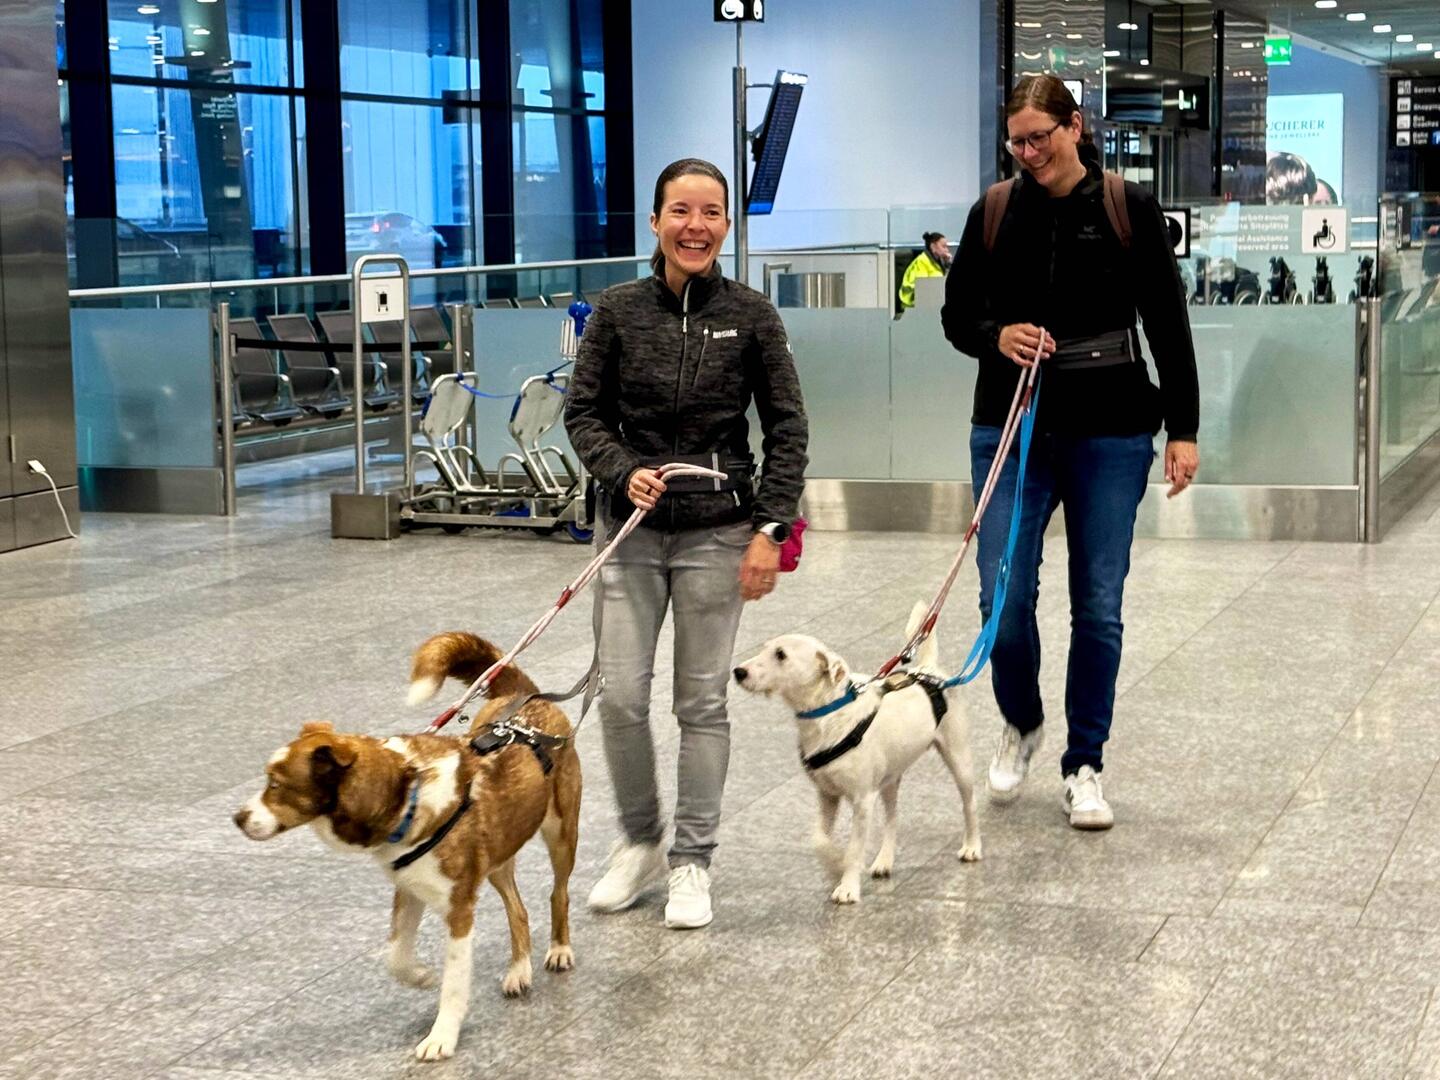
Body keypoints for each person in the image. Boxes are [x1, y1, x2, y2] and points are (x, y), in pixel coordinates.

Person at [942, 75, 1200, 830]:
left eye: (1040, 138)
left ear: (1075, 127)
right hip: (1010, 426)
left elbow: (1166, 320)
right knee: (1004, 598)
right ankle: (1021, 720)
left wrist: (1182, 428)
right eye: (1016, 142)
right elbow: (958, 317)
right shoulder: (993, 210)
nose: (1029, 153)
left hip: (1112, 428)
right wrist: (998, 335)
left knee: (1099, 605)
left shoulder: (1127, 206)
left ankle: (1084, 761)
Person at [564, 157, 809, 929]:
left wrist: (770, 526)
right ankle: (639, 841)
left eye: (709, 213)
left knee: (702, 702)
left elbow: (788, 428)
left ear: (726, 225)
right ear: (655, 221)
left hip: (716, 533)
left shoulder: (755, 316)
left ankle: (692, 863)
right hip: (629, 533)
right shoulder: (616, 310)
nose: (694, 226)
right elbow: (582, 415)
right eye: (679, 211)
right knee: (620, 697)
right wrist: (622, 469)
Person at [898, 231, 951, 310]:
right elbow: (922, 287)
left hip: (932, 302)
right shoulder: (922, 261)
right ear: (933, 246)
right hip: (912, 305)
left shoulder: (938, 262)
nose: (947, 250)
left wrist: (948, 264)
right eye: (944, 246)